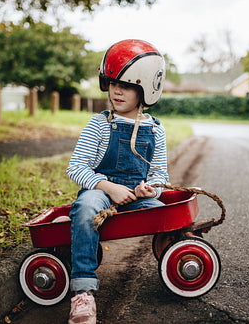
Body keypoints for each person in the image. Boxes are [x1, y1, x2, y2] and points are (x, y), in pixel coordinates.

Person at [66, 39, 169, 324]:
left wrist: (150, 188)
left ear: (146, 89)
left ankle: (176, 257)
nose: (117, 90)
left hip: (136, 196)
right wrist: (108, 187)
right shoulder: (99, 124)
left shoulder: (156, 130)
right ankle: (83, 292)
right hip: (100, 191)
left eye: (127, 85)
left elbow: (160, 175)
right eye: (112, 83)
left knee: (165, 210)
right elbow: (76, 167)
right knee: (85, 208)